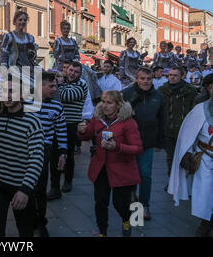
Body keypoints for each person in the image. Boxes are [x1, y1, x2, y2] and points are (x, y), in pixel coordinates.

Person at [0, 80, 45, 237]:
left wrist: (25, 189)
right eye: (4, 91)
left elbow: (37, 158)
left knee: (25, 230)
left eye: (12, 91)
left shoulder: (32, 122)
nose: (6, 95)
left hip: (20, 185)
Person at [77, 90, 143, 237]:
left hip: (122, 170)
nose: (105, 106)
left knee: (120, 204)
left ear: (118, 105)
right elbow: (87, 135)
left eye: (109, 103)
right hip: (100, 167)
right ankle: (102, 231)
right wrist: (82, 131)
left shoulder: (128, 122)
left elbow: (137, 148)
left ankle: (127, 221)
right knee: (100, 202)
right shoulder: (97, 118)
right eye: (103, 101)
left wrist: (117, 147)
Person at [122, 67, 166, 220]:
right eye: (142, 79)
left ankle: (144, 205)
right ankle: (131, 196)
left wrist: (161, 140)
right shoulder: (126, 94)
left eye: (149, 79)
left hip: (147, 141)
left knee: (145, 175)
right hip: (128, 141)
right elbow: (120, 116)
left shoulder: (158, 96)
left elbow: (162, 119)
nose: (146, 82)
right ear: (136, 78)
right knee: (130, 173)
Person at [168, 88, 212, 237]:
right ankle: (205, 223)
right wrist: (186, 153)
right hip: (206, 158)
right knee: (205, 193)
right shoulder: (201, 109)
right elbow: (187, 134)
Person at [32, 72, 68, 237]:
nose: (55, 89)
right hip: (25, 148)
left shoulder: (57, 106)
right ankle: (28, 218)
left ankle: (40, 220)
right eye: (51, 86)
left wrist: (62, 152)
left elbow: (61, 130)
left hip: (44, 149)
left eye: (56, 85)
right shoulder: (26, 103)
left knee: (40, 187)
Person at [52, 61, 88, 194]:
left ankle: (68, 181)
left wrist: (59, 85)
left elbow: (65, 96)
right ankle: (55, 185)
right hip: (57, 123)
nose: (72, 73)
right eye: (71, 70)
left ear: (80, 74)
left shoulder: (82, 85)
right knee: (55, 154)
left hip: (71, 124)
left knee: (68, 154)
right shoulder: (62, 81)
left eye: (76, 72)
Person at [159, 67, 197, 178]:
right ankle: (172, 181)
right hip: (168, 130)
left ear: (181, 76)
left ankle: (184, 183)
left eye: (175, 75)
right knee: (170, 157)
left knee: (185, 157)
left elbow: (194, 110)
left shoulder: (191, 90)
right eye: (170, 75)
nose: (172, 77)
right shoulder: (162, 90)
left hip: (185, 130)